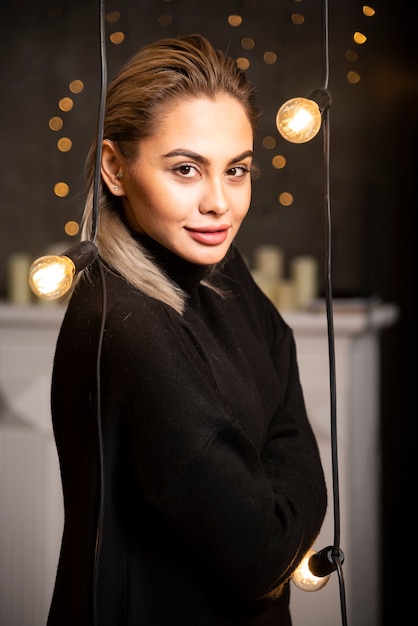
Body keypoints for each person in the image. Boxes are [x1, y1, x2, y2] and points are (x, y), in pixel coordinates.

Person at [47, 33, 327, 626]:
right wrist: (291, 472)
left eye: (237, 170)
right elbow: (263, 553)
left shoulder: (218, 265)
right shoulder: (127, 327)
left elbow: (278, 342)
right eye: (185, 169)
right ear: (115, 168)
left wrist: (275, 480)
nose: (219, 204)